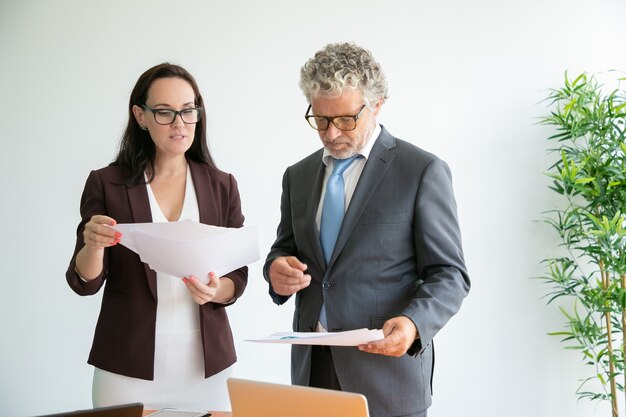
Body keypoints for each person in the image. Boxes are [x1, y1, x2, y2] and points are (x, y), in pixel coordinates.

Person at [263, 42, 470, 417]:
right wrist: (276, 272)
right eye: (321, 119)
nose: (330, 133)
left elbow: (450, 275)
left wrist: (413, 324)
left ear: (377, 104)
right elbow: (285, 249)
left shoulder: (421, 171)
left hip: (386, 375)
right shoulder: (298, 176)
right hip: (313, 372)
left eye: (345, 119)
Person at [66, 63, 247, 411]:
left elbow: (237, 276)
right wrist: (92, 246)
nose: (179, 123)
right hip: (125, 365)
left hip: (207, 367)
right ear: (140, 115)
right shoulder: (107, 183)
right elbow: (85, 282)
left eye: (188, 110)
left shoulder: (222, 185)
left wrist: (216, 290)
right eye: (164, 112)